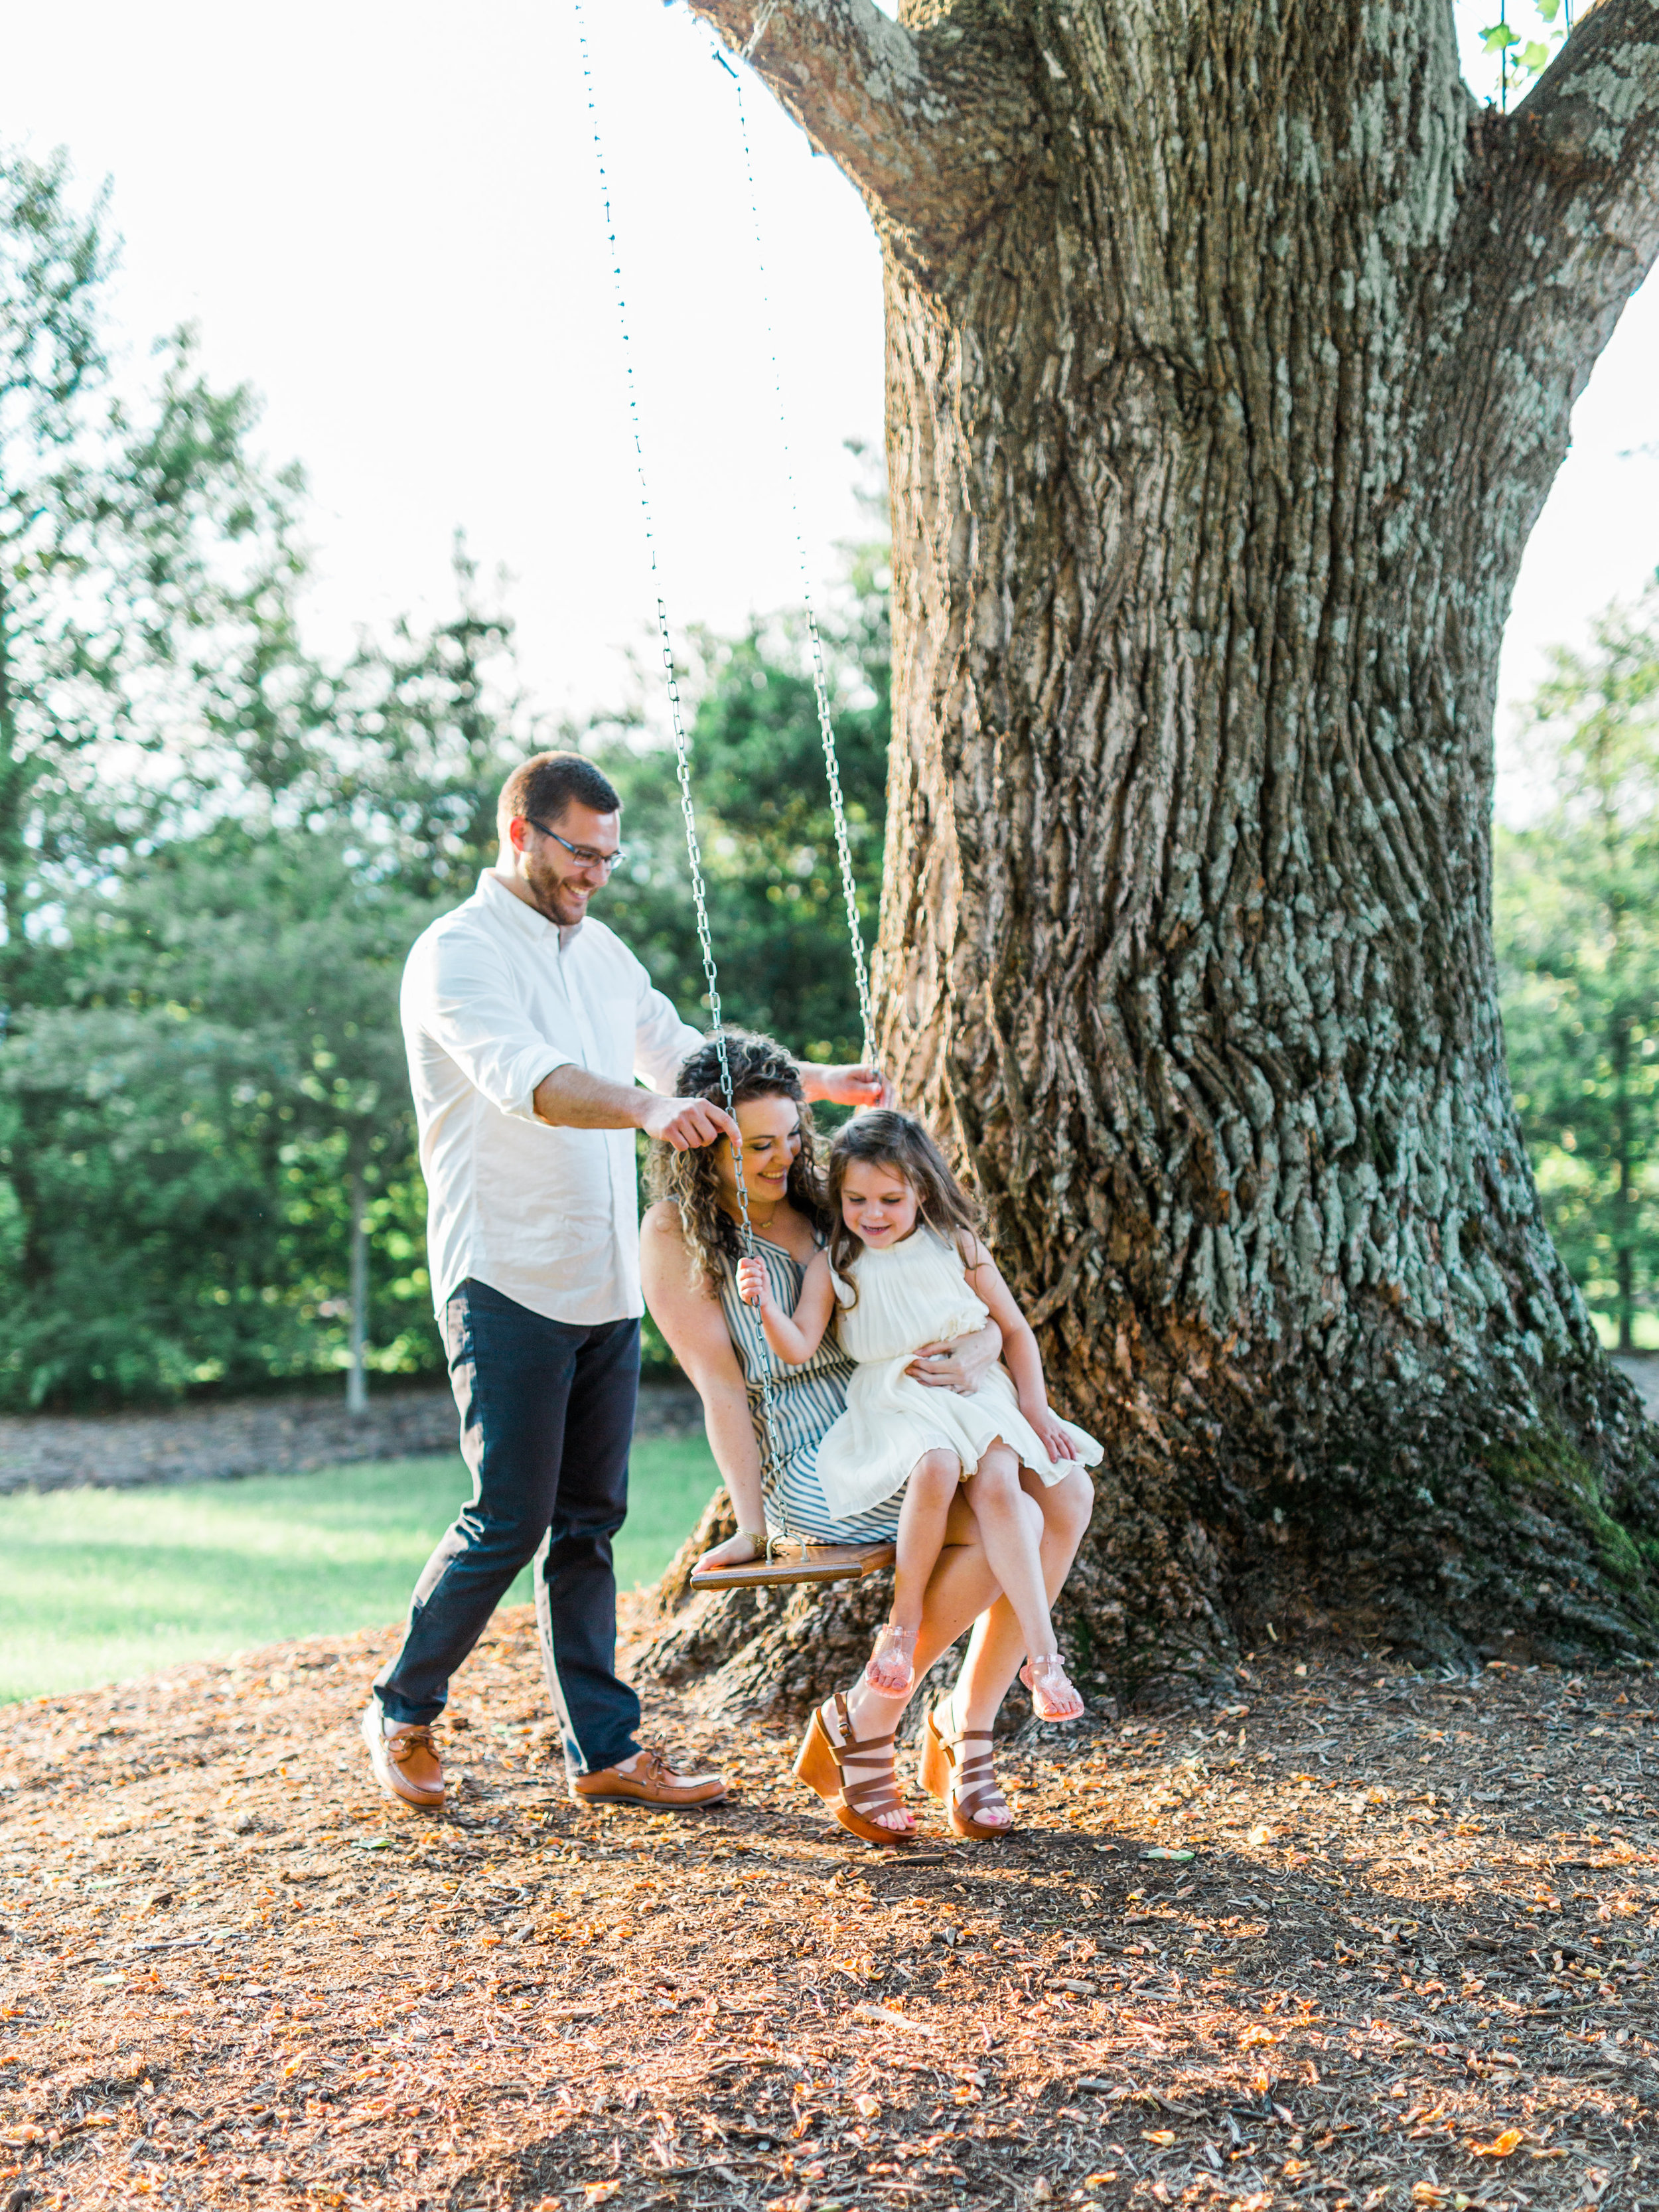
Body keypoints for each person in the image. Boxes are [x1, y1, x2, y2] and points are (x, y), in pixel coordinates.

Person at [362, 753, 889, 1815]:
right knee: (508, 1515)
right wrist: (649, 1111)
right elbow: (532, 1083)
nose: (596, 873)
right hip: (504, 1271)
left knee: (590, 1522)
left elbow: (684, 1053)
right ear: (521, 833)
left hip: (604, 1280)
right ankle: (402, 1707)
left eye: (610, 855)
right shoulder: (454, 957)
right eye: (579, 852)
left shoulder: (600, 954)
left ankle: (604, 1749)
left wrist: (812, 1082)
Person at [641, 1033, 1096, 1844]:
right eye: (757, 1145)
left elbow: (947, 1293)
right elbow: (719, 1388)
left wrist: (982, 1347)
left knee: (1067, 1489)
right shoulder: (678, 1235)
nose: (782, 1159)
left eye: (791, 1136)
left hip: (899, 1413)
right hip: (812, 1458)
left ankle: (964, 1719)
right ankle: (871, 1721)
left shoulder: (832, 1197)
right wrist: (751, 1527)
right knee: (1016, 1522)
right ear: (703, 1142)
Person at [737, 1110, 1101, 1726]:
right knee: (933, 1466)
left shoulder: (957, 1246)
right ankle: (900, 1629)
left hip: (977, 1392)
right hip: (898, 1399)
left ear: (922, 1191)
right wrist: (767, 1304)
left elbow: (1014, 1330)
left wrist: (1038, 1412)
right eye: (855, 1199)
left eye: (890, 1198)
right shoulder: (836, 1264)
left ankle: (1043, 1656)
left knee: (1001, 1484)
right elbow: (797, 1344)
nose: (872, 1213)